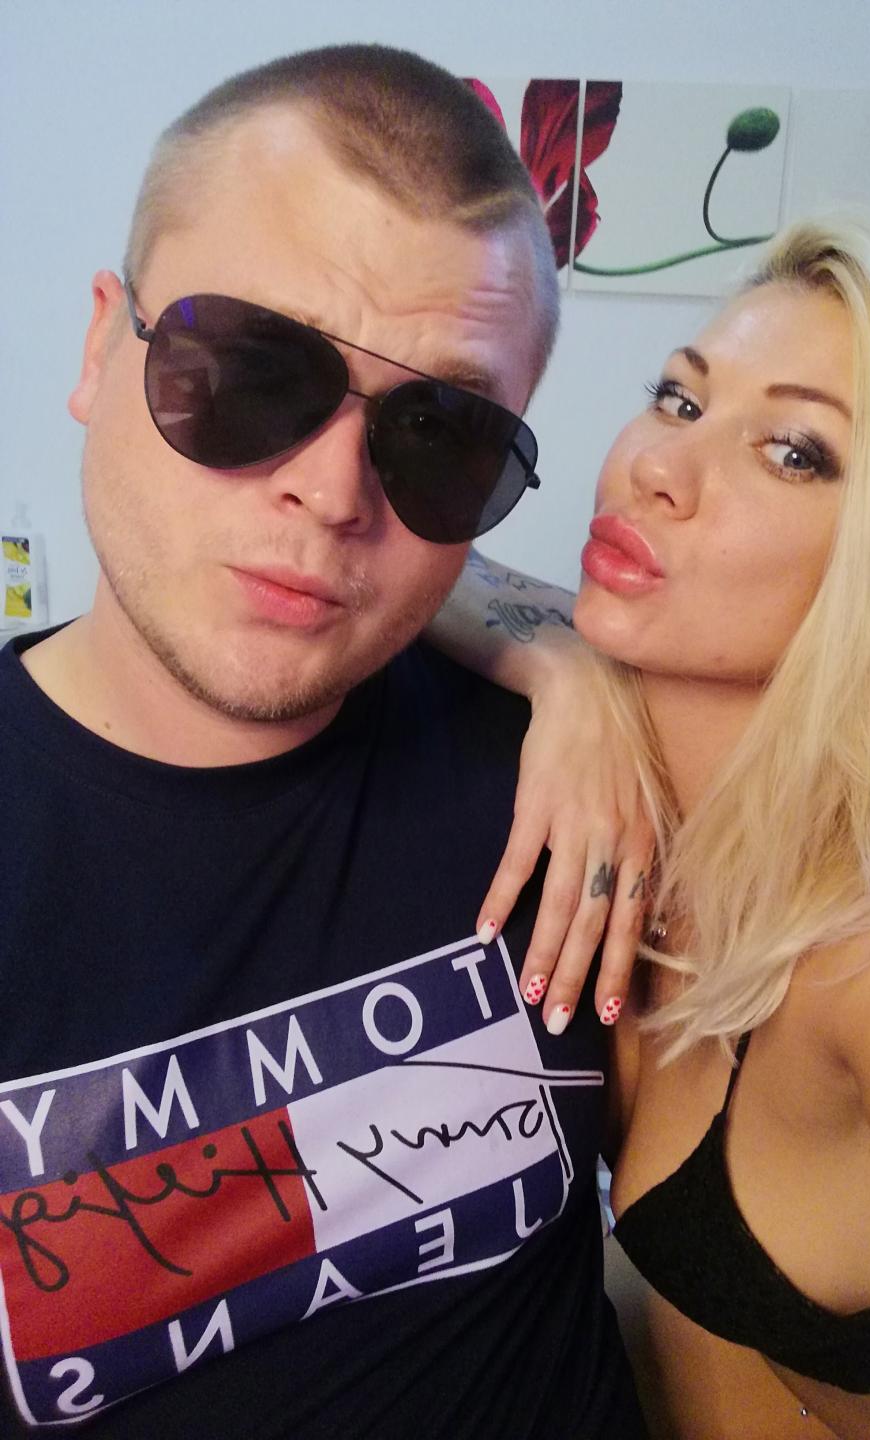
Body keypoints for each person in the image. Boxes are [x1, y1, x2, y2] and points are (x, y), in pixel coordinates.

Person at [0, 44, 647, 1438]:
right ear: (101, 348)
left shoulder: (571, 795)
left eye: (440, 436)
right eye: (251, 372)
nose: (334, 491)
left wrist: (578, 671)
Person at [439, 212, 870, 1439]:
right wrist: (562, 672)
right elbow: (406, 556)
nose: (659, 468)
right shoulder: (663, 834)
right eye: (679, 400)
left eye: (793, 453)